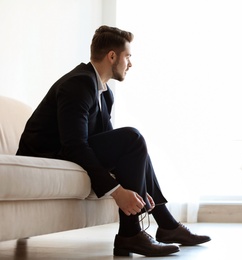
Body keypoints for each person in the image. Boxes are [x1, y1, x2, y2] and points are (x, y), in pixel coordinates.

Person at [16, 25, 210, 257]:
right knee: (132, 137)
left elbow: (108, 144)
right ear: (112, 56)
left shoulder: (104, 92)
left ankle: (165, 225)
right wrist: (117, 190)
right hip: (46, 154)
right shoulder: (78, 84)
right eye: (128, 56)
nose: (130, 63)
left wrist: (139, 187)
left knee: (134, 142)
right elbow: (74, 144)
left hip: (67, 148)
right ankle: (135, 234)